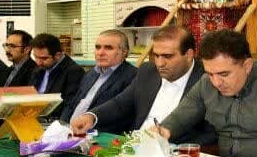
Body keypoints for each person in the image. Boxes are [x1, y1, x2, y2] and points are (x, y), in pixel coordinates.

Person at [152, 29, 257, 157]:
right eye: (210, 74)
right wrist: (164, 130)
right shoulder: (206, 83)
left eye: (224, 74)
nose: (216, 82)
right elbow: (182, 115)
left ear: (247, 66)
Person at [70, 26, 216, 145]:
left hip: (177, 153)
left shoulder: (210, 78)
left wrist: (179, 150)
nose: (160, 63)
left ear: (189, 55)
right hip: (134, 147)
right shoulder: (148, 71)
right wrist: (92, 116)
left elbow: (211, 132)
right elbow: (121, 103)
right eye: (156, 55)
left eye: (167, 56)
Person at [60, 30, 137, 129]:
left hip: (96, 133)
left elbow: (121, 114)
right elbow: (72, 104)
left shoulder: (133, 76)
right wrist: (61, 125)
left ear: (124, 52)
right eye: (98, 47)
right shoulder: (90, 74)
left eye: (108, 48)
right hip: (68, 131)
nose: (100, 53)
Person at [29, 33, 84, 120]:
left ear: (58, 55)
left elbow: (70, 105)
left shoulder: (73, 71)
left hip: (54, 122)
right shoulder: (39, 69)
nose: (39, 62)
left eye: (44, 58)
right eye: (36, 57)